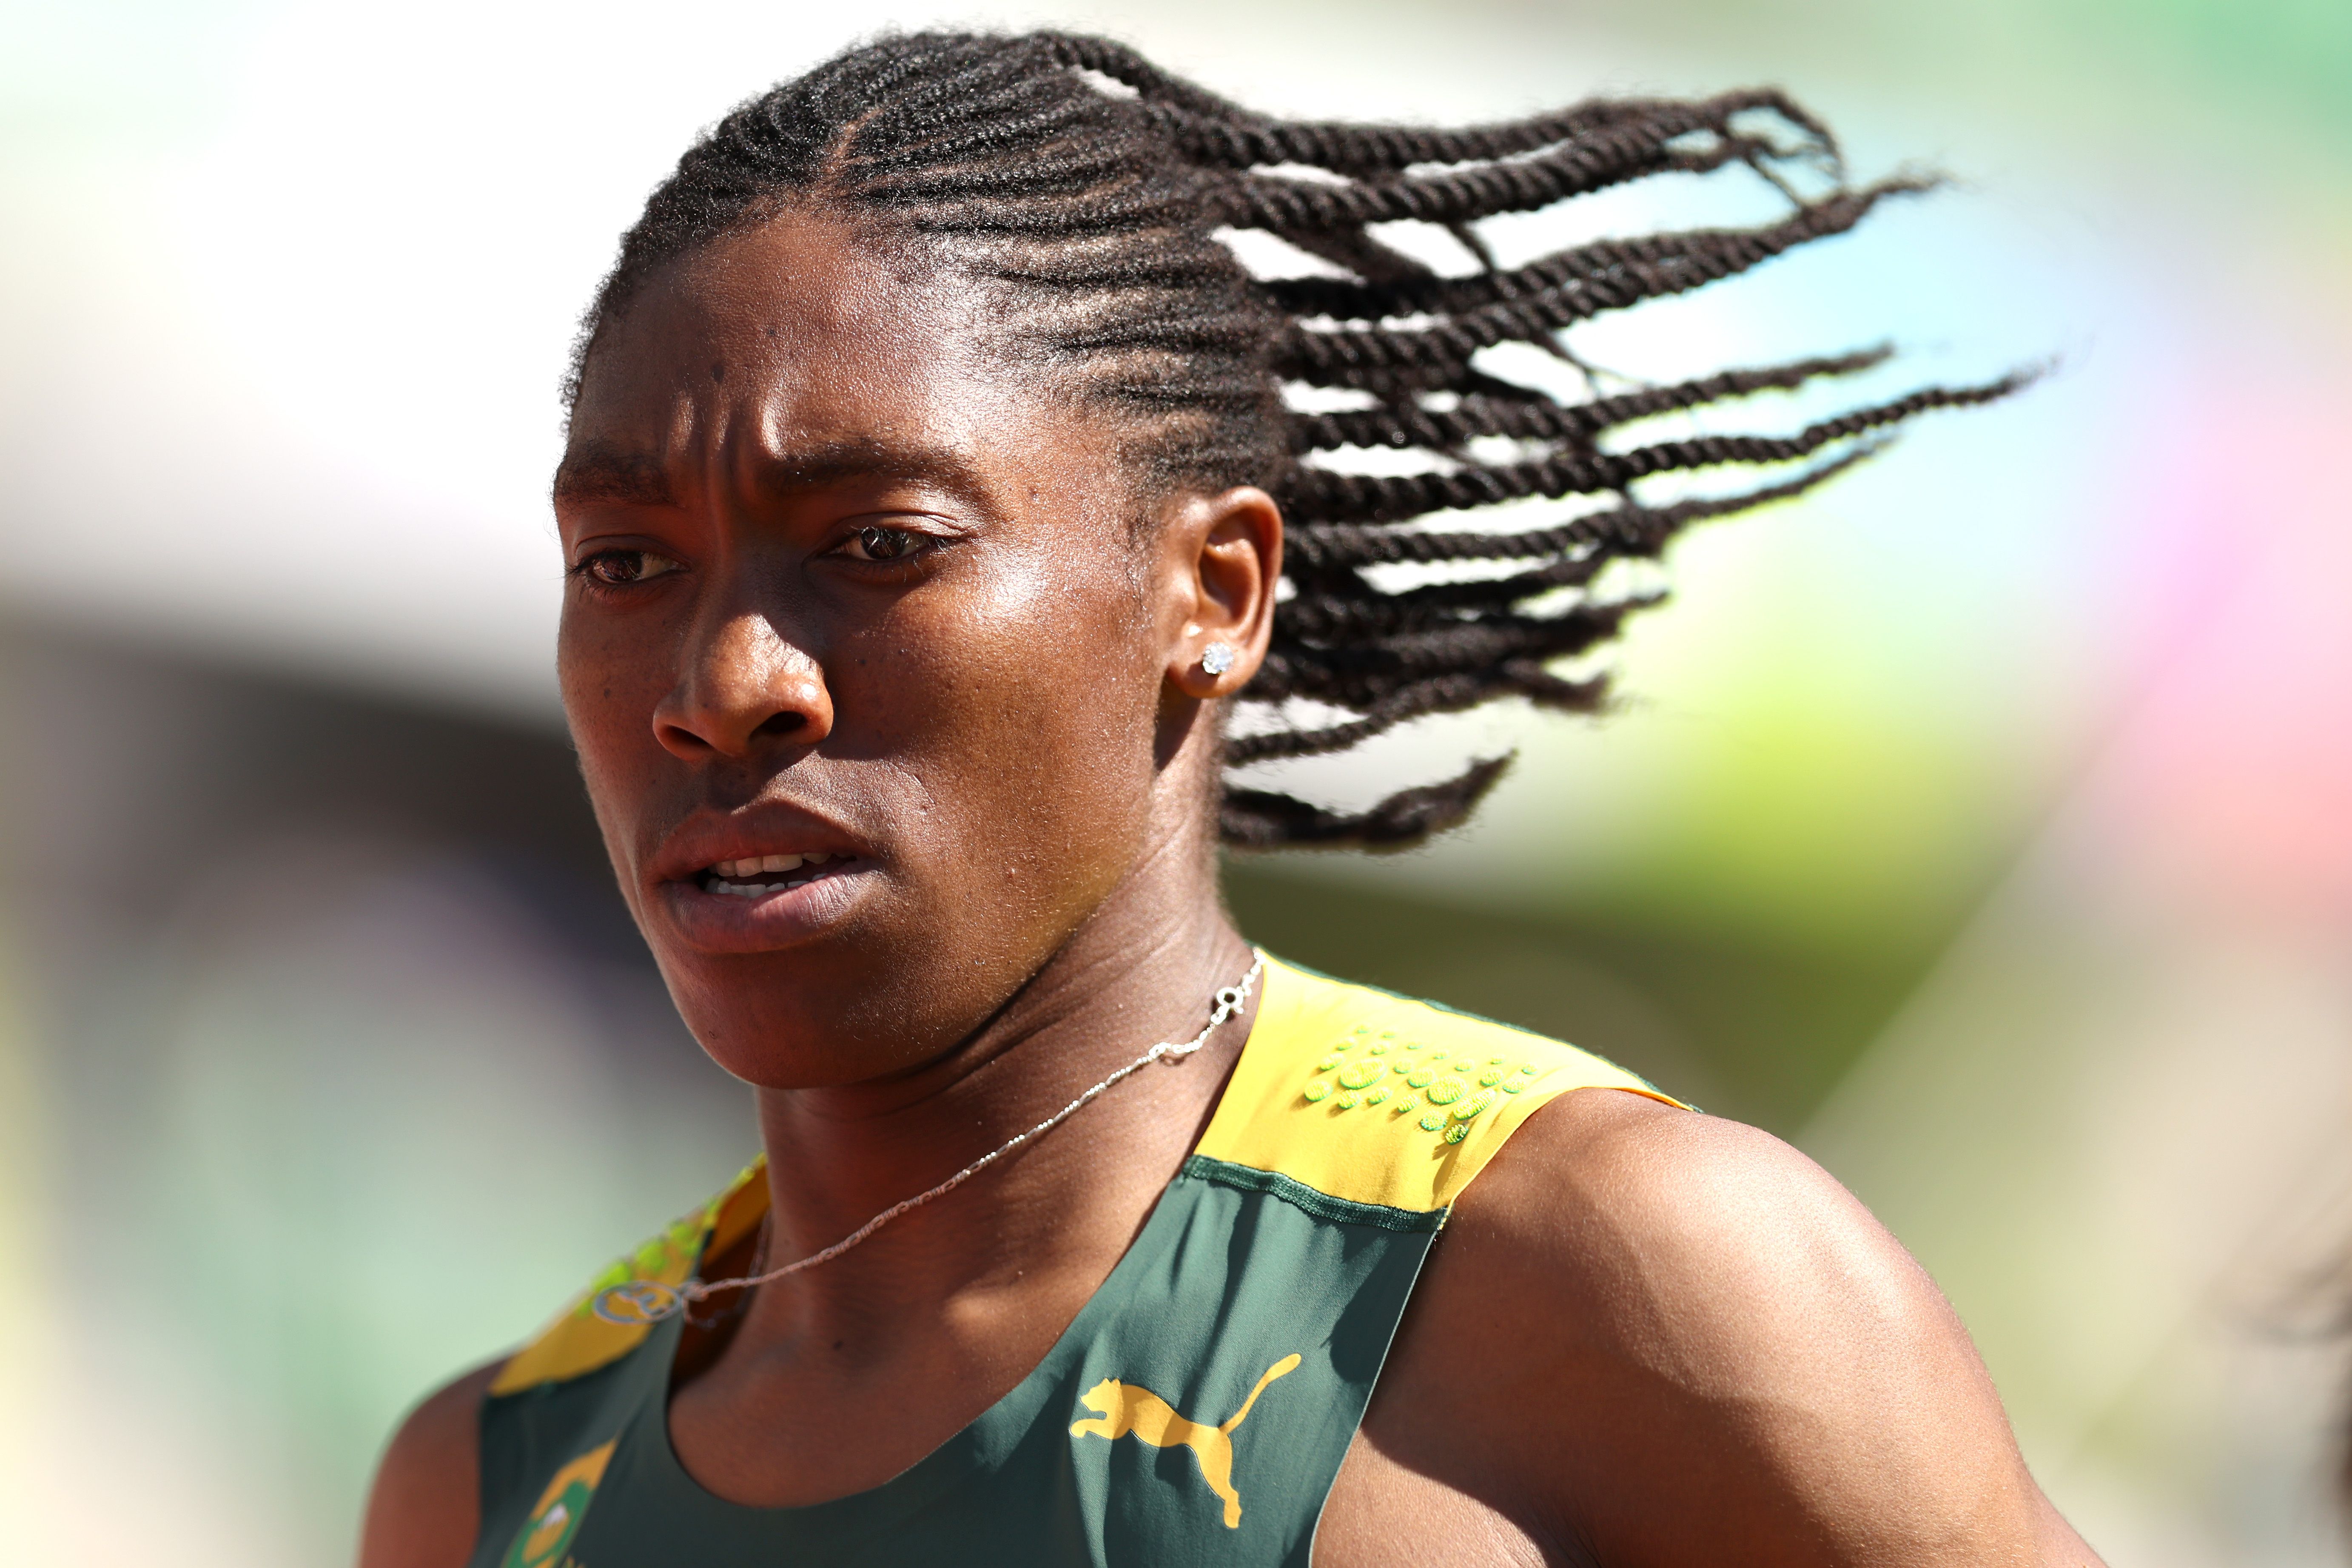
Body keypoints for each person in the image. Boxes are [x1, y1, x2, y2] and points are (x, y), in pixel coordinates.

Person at [359, 30, 2097, 1567]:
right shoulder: (492, 1484)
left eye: (879, 544)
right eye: (628, 559)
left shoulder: (1623, 1287)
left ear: (1216, 594)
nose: (727, 683)